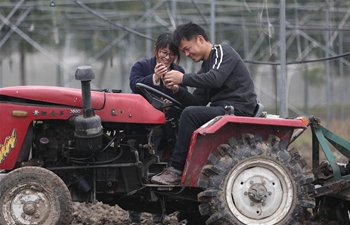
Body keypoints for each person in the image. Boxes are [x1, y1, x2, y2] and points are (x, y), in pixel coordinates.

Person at [151, 22, 258, 185]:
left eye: (187, 48)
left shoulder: (222, 52)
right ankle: (167, 159)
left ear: (200, 39)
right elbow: (198, 101)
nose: (186, 54)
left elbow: (215, 79)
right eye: (183, 51)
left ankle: (177, 168)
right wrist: (176, 89)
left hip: (237, 109)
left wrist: (182, 78)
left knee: (190, 113)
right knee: (175, 112)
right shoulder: (205, 68)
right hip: (221, 109)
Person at [128, 33, 187, 225]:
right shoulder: (141, 66)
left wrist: (173, 98)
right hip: (142, 127)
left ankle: (158, 217)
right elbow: (134, 86)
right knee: (135, 169)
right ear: (156, 50)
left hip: (167, 129)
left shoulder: (178, 71)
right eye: (164, 53)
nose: (168, 58)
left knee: (162, 167)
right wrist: (154, 78)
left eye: (172, 54)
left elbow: (184, 97)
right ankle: (134, 216)